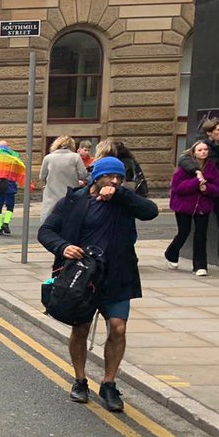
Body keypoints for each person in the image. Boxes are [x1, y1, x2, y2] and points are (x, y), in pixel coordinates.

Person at [38, 155, 160, 412]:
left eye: (119, 178)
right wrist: (63, 247)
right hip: (82, 277)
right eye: (109, 176)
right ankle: (80, 380)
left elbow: (151, 212)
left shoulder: (124, 201)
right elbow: (46, 231)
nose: (115, 181)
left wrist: (121, 194)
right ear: (96, 177)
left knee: (118, 328)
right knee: (80, 328)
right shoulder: (73, 201)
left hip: (117, 275)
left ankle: (108, 384)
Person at [165, 141, 219, 276]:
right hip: (183, 205)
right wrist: (196, 182)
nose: (203, 152)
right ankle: (171, 253)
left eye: (205, 150)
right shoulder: (184, 168)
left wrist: (206, 188)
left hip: (203, 206)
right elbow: (178, 187)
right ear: (194, 152)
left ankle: (200, 266)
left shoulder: (212, 168)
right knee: (184, 232)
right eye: (200, 150)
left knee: (201, 234)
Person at [192, 117, 219, 271]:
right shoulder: (203, 147)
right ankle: (176, 254)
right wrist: (197, 173)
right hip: (207, 191)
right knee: (197, 229)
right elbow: (186, 160)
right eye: (218, 129)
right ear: (209, 132)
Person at [39, 136, 89, 220]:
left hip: (51, 197)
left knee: (50, 222)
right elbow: (83, 175)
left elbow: (42, 177)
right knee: (69, 222)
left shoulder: (48, 158)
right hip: (70, 197)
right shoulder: (75, 157)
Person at [0, 141, 25, 236]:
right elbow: (20, 167)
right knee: (10, 206)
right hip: (10, 184)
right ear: (7, 147)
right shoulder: (13, 156)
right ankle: (6, 223)